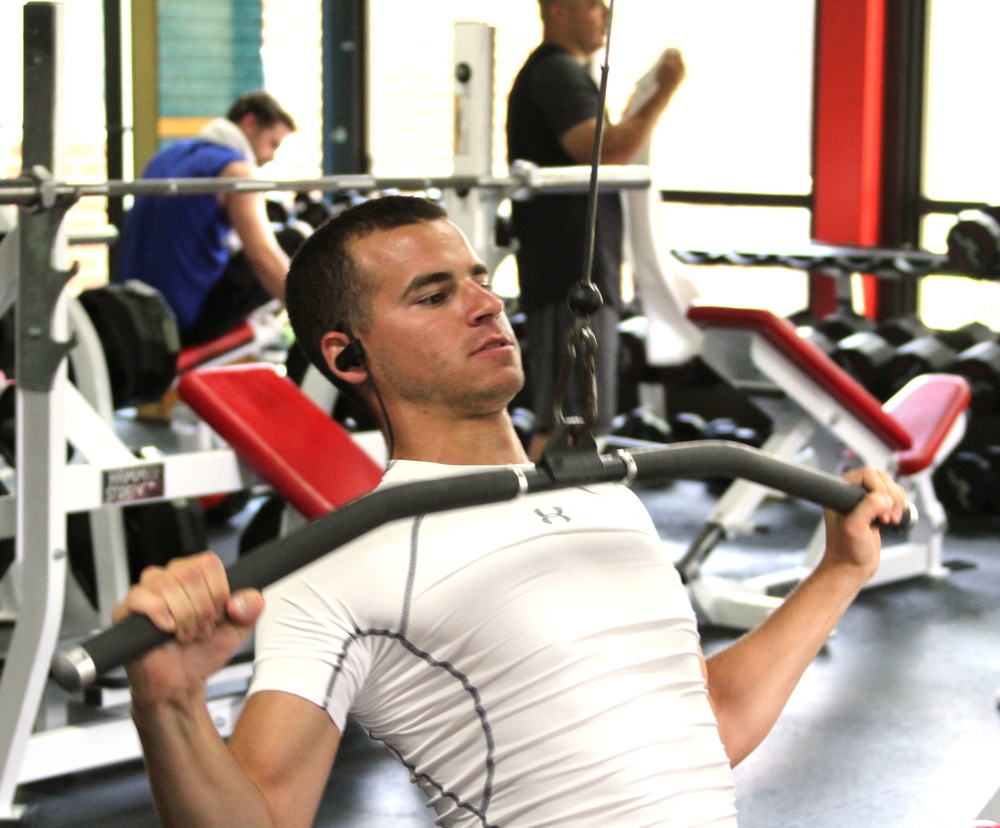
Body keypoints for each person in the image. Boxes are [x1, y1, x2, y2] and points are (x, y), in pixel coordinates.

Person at [115, 195, 908, 827]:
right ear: (345, 356)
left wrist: (839, 571)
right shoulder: (346, 559)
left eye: (480, 278)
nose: (485, 306)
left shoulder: (603, 496)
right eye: (434, 295)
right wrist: (172, 703)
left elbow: (712, 724)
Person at [506, 0, 687, 460]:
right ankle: (535, 522)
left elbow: (608, 142)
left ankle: (547, 519)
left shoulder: (569, 73)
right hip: (569, 270)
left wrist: (640, 103)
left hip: (581, 266)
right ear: (559, 11)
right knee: (571, 418)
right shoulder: (556, 73)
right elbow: (603, 151)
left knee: (579, 415)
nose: (606, 14)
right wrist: (666, 90)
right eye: (592, 5)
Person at [114, 90, 299, 345]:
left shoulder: (169, 154)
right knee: (295, 239)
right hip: (182, 324)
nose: (271, 156)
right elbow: (262, 257)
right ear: (250, 123)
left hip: (131, 313)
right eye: (273, 143)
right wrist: (318, 321)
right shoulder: (237, 171)